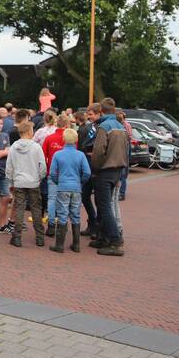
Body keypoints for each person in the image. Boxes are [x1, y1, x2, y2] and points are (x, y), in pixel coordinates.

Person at [90, 99, 128, 257]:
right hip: (117, 169)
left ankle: (115, 240)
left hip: (105, 170)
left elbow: (99, 151)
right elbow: (126, 150)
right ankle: (104, 237)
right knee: (105, 204)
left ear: (102, 110)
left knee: (104, 206)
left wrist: (95, 168)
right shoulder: (121, 126)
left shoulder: (104, 126)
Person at [48, 128, 90, 253]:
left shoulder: (58, 154)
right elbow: (87, 172)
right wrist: (80, 181)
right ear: (76, 140)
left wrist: (58, 182)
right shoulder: (81, 155)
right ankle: (76, 245)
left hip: (62, 187)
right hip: (76, 188)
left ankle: (59, 245)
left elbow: (52, 173)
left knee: (62, 214)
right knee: (75, 215)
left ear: (63, 139)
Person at [5, 121, 47, 248]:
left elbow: (9, 166)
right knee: (36, 208)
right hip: (33, 181)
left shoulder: (13, 147)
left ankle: (17, 237)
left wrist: (11, 181)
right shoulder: (36, 147)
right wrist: (39, 178)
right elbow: (43, 166)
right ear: (29, 132)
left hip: (19, 181)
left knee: (19, 208)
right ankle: (40, 238)